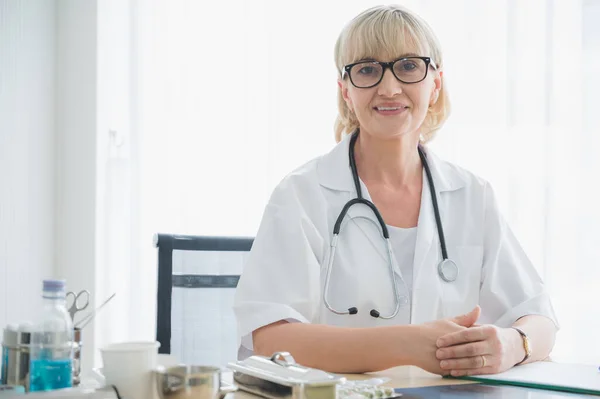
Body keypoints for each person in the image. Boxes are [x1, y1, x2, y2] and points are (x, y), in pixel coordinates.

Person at [233, 4, 558, 376]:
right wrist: (405, 344)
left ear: (435, 84)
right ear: (346, 91)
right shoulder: (302, 195)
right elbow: (272, 339)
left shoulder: (472, 195)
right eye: (367, 70)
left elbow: (540, 317)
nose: (389, 88)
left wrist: (515, 344)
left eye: (407, 66)